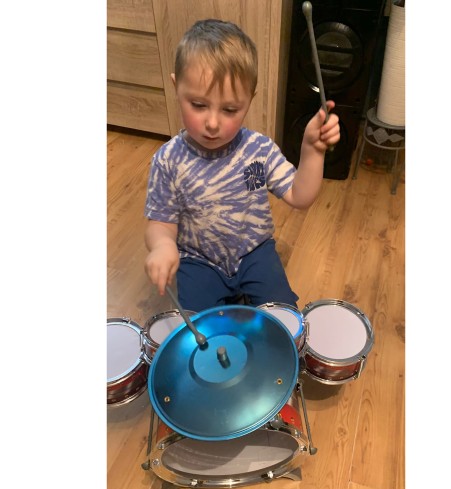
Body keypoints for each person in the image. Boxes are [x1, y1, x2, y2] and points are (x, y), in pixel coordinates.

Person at [143, 19, 340, 312]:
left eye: (230, 109)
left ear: (249, 100)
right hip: (198, 261)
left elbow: (299, 196)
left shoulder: (258, 149)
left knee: (283, 317)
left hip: (254, 253)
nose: (212, 123)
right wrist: (162, 246)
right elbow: (160, 222)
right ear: (176, 86)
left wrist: (312, 150)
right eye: (198, 105)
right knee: (199, 326)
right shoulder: (168, 161)